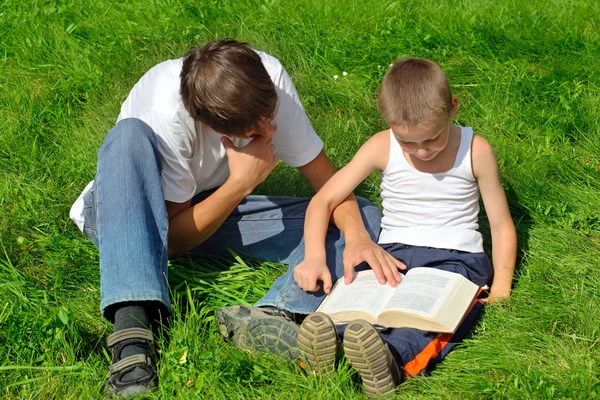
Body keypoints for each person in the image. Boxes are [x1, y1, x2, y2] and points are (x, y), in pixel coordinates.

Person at [69, 39, 401, 397]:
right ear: (214, 127)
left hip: (204, 205)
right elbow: (167, 243)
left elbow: (329, 184)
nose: (270, 130)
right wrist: (240, 183)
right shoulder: (163, 115)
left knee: (362, 213)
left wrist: (357, 237)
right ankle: (132, 335)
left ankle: (277, 315)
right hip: (124, 214)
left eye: (271, 115)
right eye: (255, 133)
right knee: (127, 136)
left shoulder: (268, 76)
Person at [293, 57, 517, 397]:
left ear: (453, 108)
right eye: (408, 143)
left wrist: (501, 288)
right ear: (388, 122)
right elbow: (323, 200)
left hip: (456, 258)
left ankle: (393, 360)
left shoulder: (475, 150)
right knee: (358, 307)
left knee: (431, 317)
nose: (421, 151)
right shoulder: (381, 145)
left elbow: (500, 226)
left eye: (433, 139)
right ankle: (328, 348)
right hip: (391, 254)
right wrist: (313, 256)